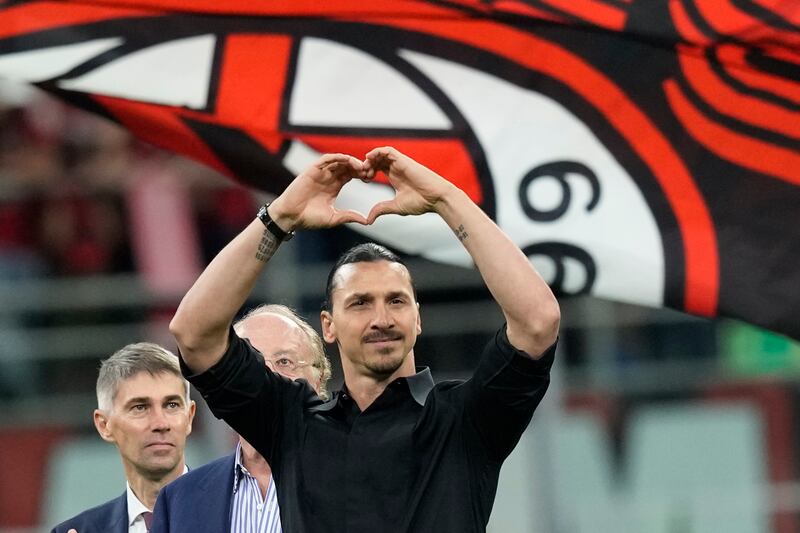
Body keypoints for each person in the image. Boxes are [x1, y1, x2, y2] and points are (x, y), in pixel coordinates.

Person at [170, 147, 560, 532]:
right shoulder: (292, 425)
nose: (381, 319)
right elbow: (193, 333)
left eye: (396, 301)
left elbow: (538, 321)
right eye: (360, 303)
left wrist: (447, 199)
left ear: (418, 318)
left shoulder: (464, 420)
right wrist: (280, 217)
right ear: (328, 325)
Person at [150, 304, 331, 532]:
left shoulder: (358, 477)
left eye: (284, 362)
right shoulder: (178, 499)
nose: (267, 378)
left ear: (319, 378)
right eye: (251, 365)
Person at [52, 343, 196, 533]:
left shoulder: (234, 513)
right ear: (104, 425)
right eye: (140, 407)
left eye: (171, 405)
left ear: (189, 417)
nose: (161, 424)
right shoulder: (80, 530)